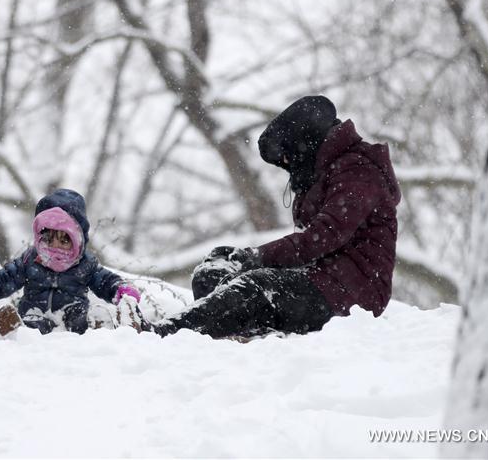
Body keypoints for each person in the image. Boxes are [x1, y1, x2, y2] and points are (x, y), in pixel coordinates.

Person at [153, 95, 401, 340]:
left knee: (255, 287)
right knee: (216, 268)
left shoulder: (358, 171)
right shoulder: (328, 171)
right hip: (320, 279)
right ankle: (232, 330)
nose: (288, 167)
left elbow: (323, 236)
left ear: (307, 144)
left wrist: (257, 258)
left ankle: (166, 336)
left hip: (354, 292)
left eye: (288, 158)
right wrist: (246, 259)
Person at [0, 188, 142, 336]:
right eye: (49, 239)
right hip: (34, 314)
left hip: (72, 319)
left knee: (79, 317)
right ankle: (18, 331)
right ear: (40, 237)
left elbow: (105, 280)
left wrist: (120, 289)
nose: (55, 246)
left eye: (64, 240)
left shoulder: (85, 264)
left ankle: (98, 324)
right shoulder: (30, 261)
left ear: (77, 241)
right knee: (32, 319)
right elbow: (2, 281)